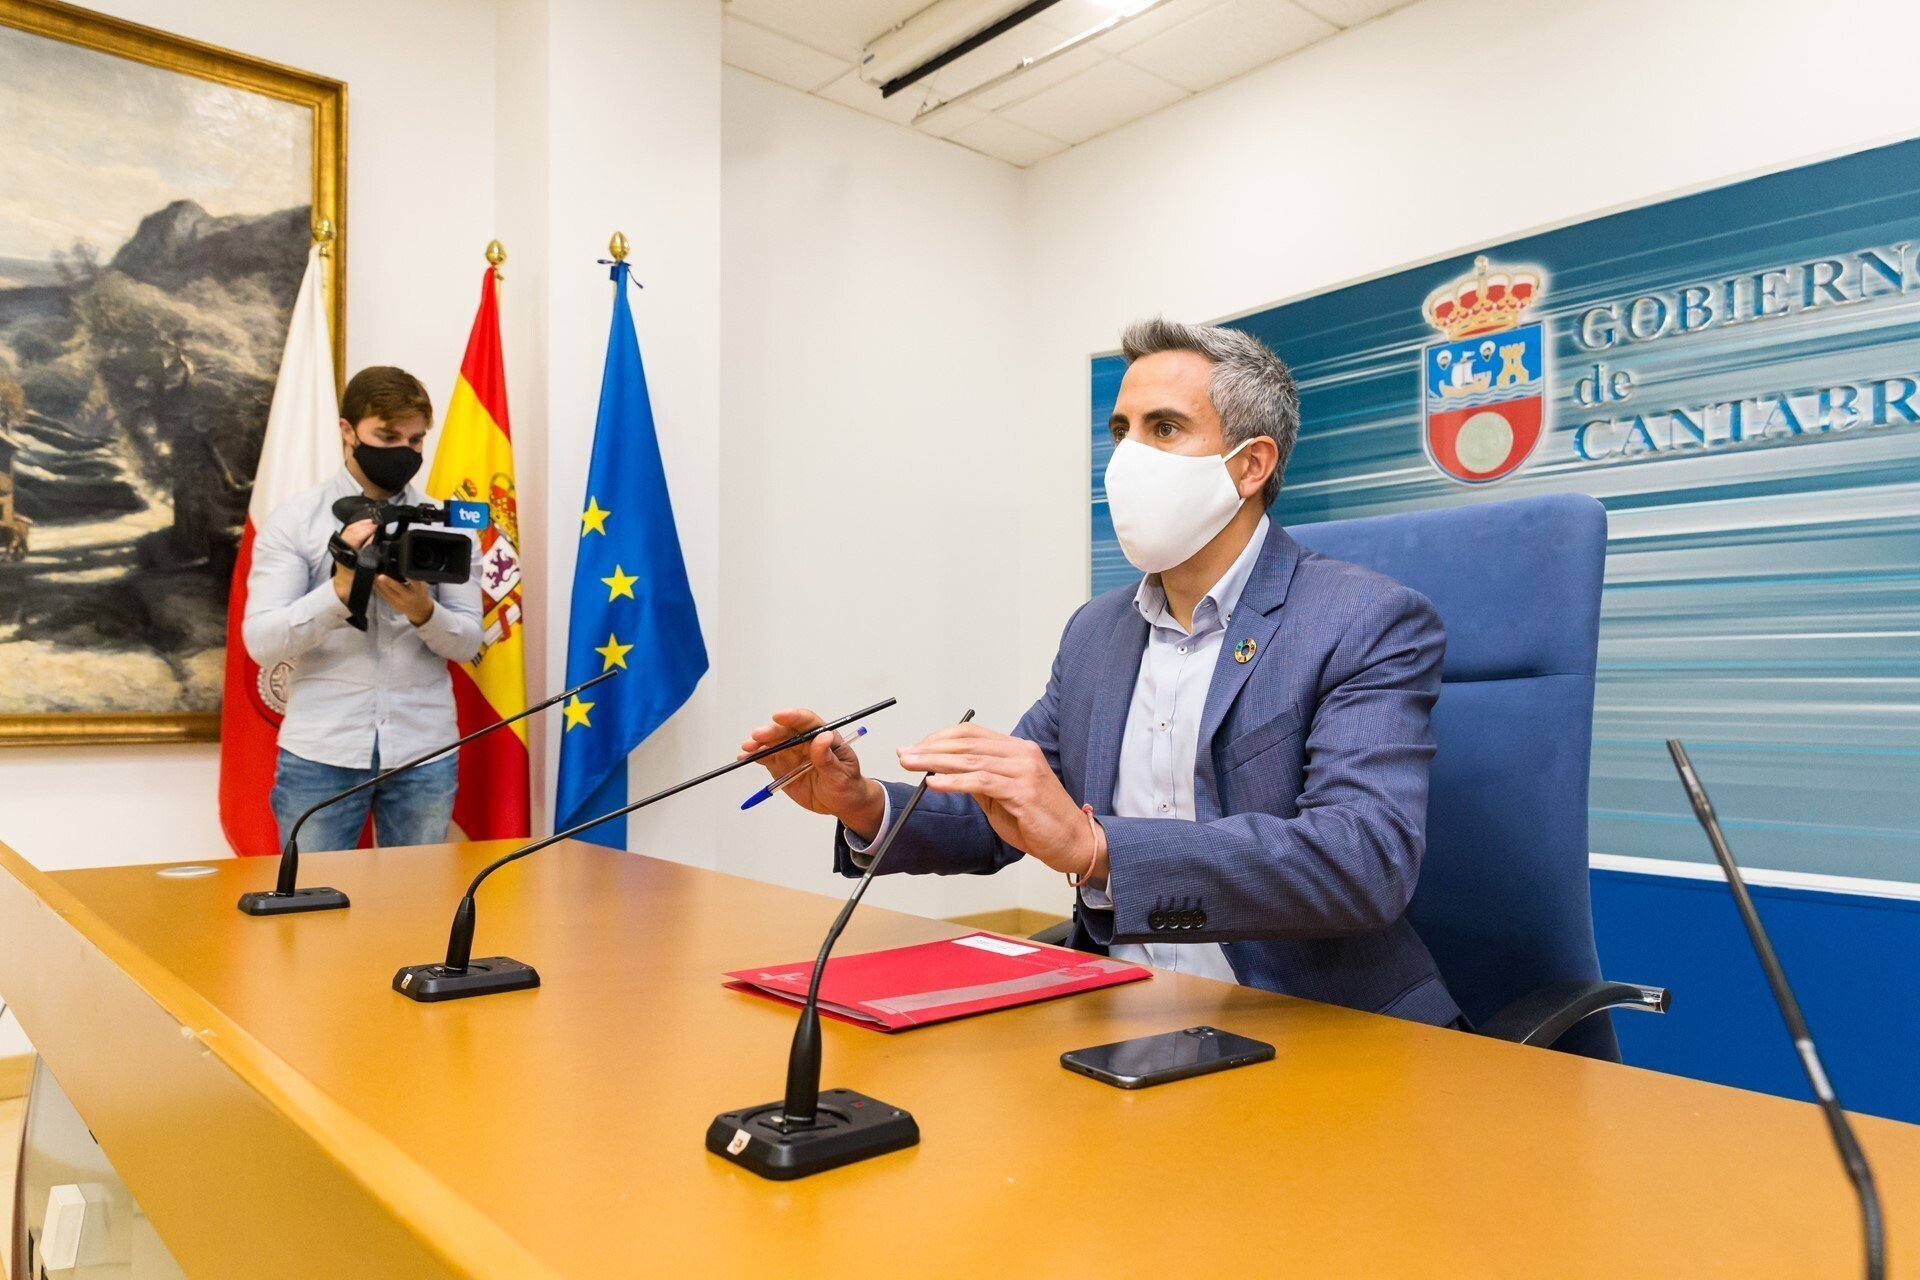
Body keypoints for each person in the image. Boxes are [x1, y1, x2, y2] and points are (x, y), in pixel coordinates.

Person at [741, 318, 1462, 1026]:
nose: (1127, 459)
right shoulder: (1097, 631)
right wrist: (862, 803)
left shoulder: (1363, 619)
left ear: (1251, 465)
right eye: (1121, 431)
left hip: (1310, 1022)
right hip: (1120, 1011)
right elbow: (1008, 819)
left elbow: (1363, 860)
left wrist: (1100, 850)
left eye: (1164, 428)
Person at [243, 366, 482, 852]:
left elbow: (468, 642)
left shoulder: (449, 526)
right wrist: (339, 590)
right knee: (310, 893)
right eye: (388, 437)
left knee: (414, 895)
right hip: (321, 749)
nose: (404, 452)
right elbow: (262, 642)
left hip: (424, 751)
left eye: (415, 440)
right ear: (348, 431)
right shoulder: (296, 520)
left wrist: (424, 612)